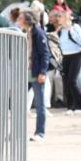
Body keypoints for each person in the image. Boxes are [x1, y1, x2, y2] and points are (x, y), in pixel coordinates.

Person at [17, 10, 49, 142]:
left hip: (36, 72)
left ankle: (40, 133)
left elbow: (45, 54)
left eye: (20, 18)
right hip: (27, 71)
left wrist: (43, 72)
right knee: (19, 102)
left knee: (40, 104)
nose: (18, 20)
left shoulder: (38, 33)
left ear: (28, 20)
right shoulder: (26, 33)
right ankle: (17, 132)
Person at [57, 9, 81, 114]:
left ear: (69, 17)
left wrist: (71, 31)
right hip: (65, 57)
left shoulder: (76, 27)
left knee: (72, 81)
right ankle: (70, 107)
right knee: (66, 82)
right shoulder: (61, 30)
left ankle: (80, 106)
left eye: (61, 16)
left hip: (76, 56)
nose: (59, 18)